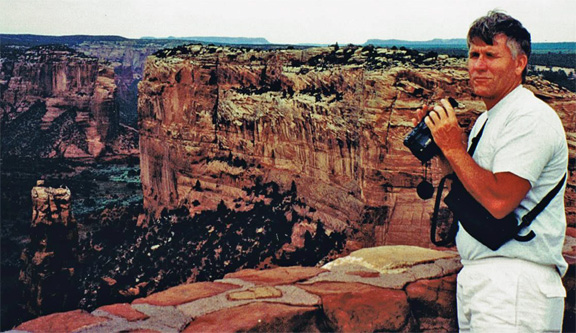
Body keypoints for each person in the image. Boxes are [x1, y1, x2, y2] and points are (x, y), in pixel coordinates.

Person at [413, 10, 568, 331]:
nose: (479, 65)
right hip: (486, 282)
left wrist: (455, 146)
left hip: (514, 285)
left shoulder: (530, 117)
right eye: (473, 54)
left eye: (491, 55)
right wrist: (442, 150)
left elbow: (499, 201)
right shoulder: (489, 119)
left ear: (519, 63)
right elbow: (476, 189)